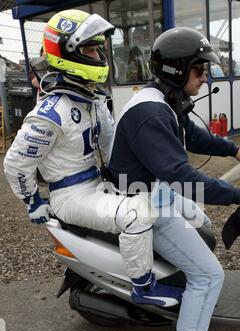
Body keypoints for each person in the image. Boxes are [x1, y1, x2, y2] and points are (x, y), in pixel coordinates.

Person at [108, 28, 240, 331]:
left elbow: (192, 137)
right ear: (178, 71)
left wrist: (235, 151)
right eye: (200, 71)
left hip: (154, 191)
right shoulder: (150, 113)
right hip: (142, 203)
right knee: (211, 275)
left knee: (204, 224)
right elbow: (181, 177)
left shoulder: (164, 100)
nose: (205, 77)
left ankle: (185, 290)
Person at [3, 9, 183, 307]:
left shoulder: (91, 99)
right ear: (67, 54)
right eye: (90, 49)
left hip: (98, 183)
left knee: (167, 199)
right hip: (70, 195)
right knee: (137, 213)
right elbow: (16, 163)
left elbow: (111, 143)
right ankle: (143, 287)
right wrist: (32, 201)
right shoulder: (50, 114)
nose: (100, 55)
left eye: (99, 48)